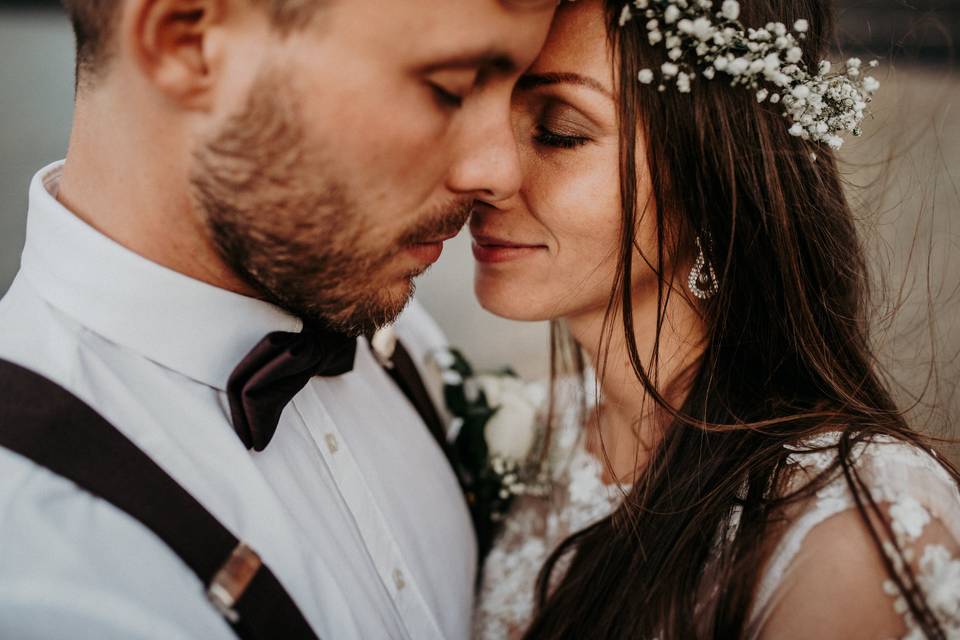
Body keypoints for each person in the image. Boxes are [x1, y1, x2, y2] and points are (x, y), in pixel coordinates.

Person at [0, 0, 555, 638]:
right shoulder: (40, 573)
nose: (500, 172)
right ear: (188, 42)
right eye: (449, 88)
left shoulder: (371, 303)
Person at [470, 1, 960, 638]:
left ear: (712, 174)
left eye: (560, 131)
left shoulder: (843, 532)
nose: (482, 172)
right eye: (477, 113)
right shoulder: (539, 437)